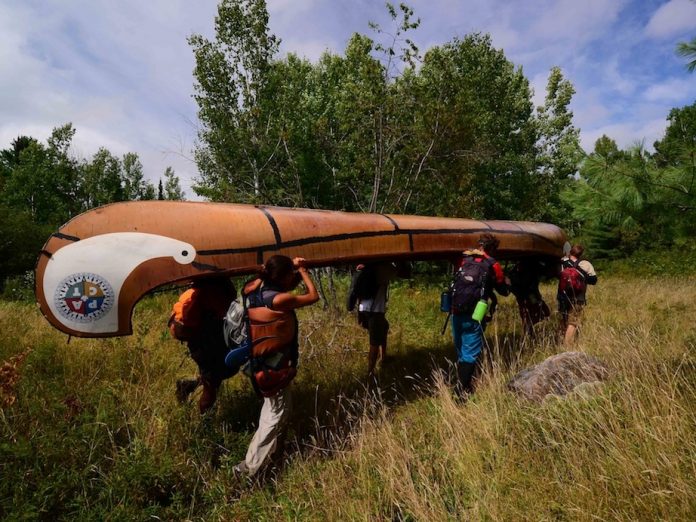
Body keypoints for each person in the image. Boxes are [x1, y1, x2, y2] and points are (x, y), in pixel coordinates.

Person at [234, 255, 319, 478]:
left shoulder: (254, 289)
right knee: (274, 415)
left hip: (261, 363)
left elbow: (277, 280)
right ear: (282, 276)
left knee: (276, 411)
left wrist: (288, 267)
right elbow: (313, 296)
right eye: (289, 273)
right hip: (275, 368)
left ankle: (272, 455)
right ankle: (249, 468)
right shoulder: (279, 300)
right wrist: (303, 271)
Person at [450, 234, 509, 395]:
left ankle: (467, 386)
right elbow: (503, 290)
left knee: (461, 349)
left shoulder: (463, 258)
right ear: (492, 248)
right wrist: (507, 283)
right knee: (470, 353)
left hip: (455, 310)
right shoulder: (492, 264)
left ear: (480, 245)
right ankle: (460, 393)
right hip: (476, 312)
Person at [173, 277, 237, 414]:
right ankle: (205, 422)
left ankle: (187, 386)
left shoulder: (199, 289)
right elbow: (222, 312)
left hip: (207, 342)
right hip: (205, 344)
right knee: (211, 385)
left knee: (216, 376)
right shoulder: (206, 292)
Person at [354, 262, 402, 377]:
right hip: (375, 311)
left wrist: (359, 314)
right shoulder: (384, 268)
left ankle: (383, 357)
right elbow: (401, 270)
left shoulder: (364, 270)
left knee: (384, 326)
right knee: (374, 343)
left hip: (364, 309)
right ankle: (370, 372)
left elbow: (358, 293)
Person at [557, 244, 597, 345]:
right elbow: (593, 280)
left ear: (570, 251)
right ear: (581, 253)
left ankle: (560, 342)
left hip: (563, 297)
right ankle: (567, 345)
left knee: (563, 320)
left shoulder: (561, 263)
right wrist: (582, 277)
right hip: (578, 297)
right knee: (573, 322)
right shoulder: (585, 263)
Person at [508, 259, 551, 339]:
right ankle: (528, 332)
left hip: (525, 296)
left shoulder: (516, 270)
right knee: (540, 313)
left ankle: (529, 332)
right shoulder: (528, 268)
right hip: (529, 295)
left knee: (530, 315)